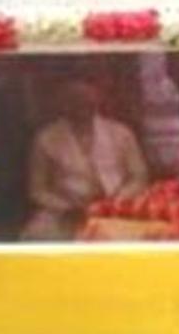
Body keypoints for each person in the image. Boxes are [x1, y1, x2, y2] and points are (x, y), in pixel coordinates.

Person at [22, 77, 149, 240]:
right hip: (63, 212)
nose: (81, 105)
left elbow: (139, 176)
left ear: (97, 99)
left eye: (87, 99)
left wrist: (118, 201)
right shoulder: (45, 138)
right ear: (63, 103)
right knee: (39, 237)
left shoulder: (122, 133)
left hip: (117, 208)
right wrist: (66, 207)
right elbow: (37, 189)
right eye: (74, 99)